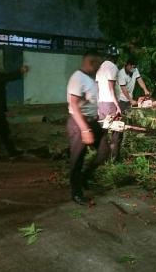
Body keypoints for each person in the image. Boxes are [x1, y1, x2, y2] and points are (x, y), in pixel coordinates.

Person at [67, 50, 109, 205]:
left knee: (105, 151)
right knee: (77, 159)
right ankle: (76, 193)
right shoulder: (77, 78)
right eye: (98, 64)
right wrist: (84, 130)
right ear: (92, 63)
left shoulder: (91, 78)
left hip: (93, 122)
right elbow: (73, 105)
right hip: (79, 123)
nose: (100, 67)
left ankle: (83, 178)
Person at [95, 46, 124, 162]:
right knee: (117, 131)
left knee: (103, 131)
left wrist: (97, 106)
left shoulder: (100, 67)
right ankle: (114, 160)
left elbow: (96, 88)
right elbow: (111, 89)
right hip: (110, 104)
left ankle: (101, 158)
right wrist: (117, 106)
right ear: (115, 57)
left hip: (101, 103)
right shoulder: (112, 67)